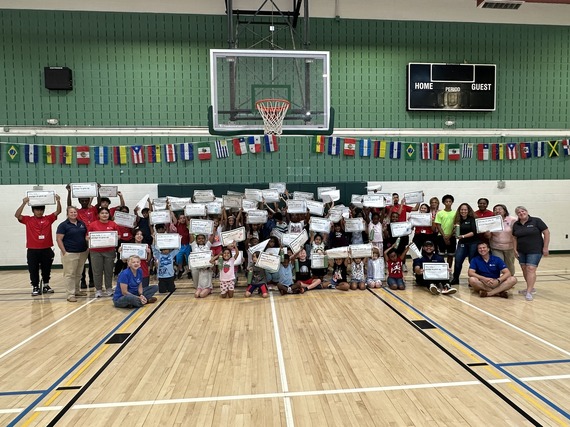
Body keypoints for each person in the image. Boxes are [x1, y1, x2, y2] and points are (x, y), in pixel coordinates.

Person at [15, 195, 62, 296]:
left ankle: (46, 285)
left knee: (46, 269)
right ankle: (35, 286)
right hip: (32, 250)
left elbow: (58, 211)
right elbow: (17, 215)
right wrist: (23, 203)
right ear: (33, 210)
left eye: (41, 210)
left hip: (46, 249)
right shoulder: (28, 220)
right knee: (33, 269)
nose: (39, 212)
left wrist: (58, 201)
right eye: (37, 210)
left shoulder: (48, 219)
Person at [512, 206, 550, 301]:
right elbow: (514, 237)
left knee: (531, 268)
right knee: (524, 269)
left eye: (523, 211)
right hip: (521, 250)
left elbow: (546, 233)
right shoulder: (516, 224)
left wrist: (545, 247)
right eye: (519, 212)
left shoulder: (536, 221)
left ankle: (529, 292)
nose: (521, 213)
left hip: (535, 250)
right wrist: (515, 249)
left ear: (527, 211)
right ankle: (530, 287)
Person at [56, 206, 89, 302]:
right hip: (70, 253)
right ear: (67, 214)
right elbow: (59, 239)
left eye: (75, 212)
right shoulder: (63, 225)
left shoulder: (81, 223)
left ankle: (76, 290)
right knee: (70, 274)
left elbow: (84, 236)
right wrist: (64, 252)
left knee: (79, 273)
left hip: (82, 252)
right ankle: (70, 294)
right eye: (71, 212)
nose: (73, 214)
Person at [87, 207, 120, 298]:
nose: (104, 215)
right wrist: (88, 238)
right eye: (102, 213)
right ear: (98, 215)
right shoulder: (93, 225)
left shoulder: (113, 224)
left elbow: (119, 235)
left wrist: (115, 237)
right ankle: (98, 289)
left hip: (109, 251)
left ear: (109, 214)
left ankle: (109, 288)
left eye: (106, 213)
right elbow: (87, 236)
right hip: (95, 252)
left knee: (109, 271)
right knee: (97, 271)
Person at [451, 203, 479, 285]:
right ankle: (455, 278)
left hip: (473, 243)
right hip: (462, 243)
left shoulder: (472, 219)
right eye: (462, 209)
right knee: (458, 260)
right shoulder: (457, 220)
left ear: (468, 210)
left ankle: (473, 280)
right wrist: (455, 233)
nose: (463, 211)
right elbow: (456, 231)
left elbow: (474, 232)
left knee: (472, 261)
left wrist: (463, 236)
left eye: (465, 210)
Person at [489, 204, 517, 276]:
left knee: (510, 265)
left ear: (505, 211)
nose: (497, 211)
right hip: (496, 247)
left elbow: (516, 233)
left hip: (509, 247)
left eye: (500, 209)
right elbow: (488, 236)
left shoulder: (512, 220)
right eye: (495, 210)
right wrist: (487, 232)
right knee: (499, 264)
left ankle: (510, 279)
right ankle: (501, 279)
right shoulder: (491, 220)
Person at [434, 194, 456, 268]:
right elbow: (438, 225)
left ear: (452, 202)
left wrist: (449, 236)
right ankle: (441, 271)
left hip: (452, 237)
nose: (448, 203)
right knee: (441, 255)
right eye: (446, 201)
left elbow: (456, 226)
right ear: (443, 203)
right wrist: (444, 236)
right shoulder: (440, 213)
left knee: (450, 255)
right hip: (441, 237)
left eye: (450, 201)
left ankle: (449, 270)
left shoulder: (455, 213)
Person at [190, 233, 215, 297]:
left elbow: (212, 237)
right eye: (199, 239)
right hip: (196, 268)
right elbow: (191, 235)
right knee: (196, 286)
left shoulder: (207, 246)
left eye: (202, 238)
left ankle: (208, 289)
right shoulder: (194, 245)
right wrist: (191, 227)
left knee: (206, 281)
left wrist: (214, 227)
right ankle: (200, 289)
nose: (201, 240)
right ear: (196, 240)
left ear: (205, 239)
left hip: (206, 268)